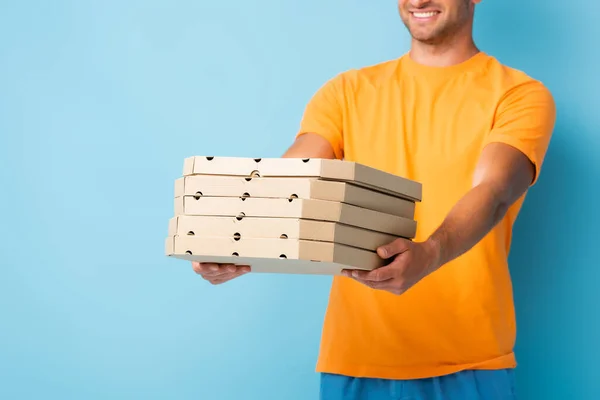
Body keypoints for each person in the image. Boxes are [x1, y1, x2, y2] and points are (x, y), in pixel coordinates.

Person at [191, 0, 556, 398]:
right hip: (354, 362)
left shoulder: (519, 94)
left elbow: (494, 192)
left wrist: (430, 253)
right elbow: (294, 175)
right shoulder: (346, 91)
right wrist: (235, 239)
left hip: (470, 364)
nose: (419, 1)